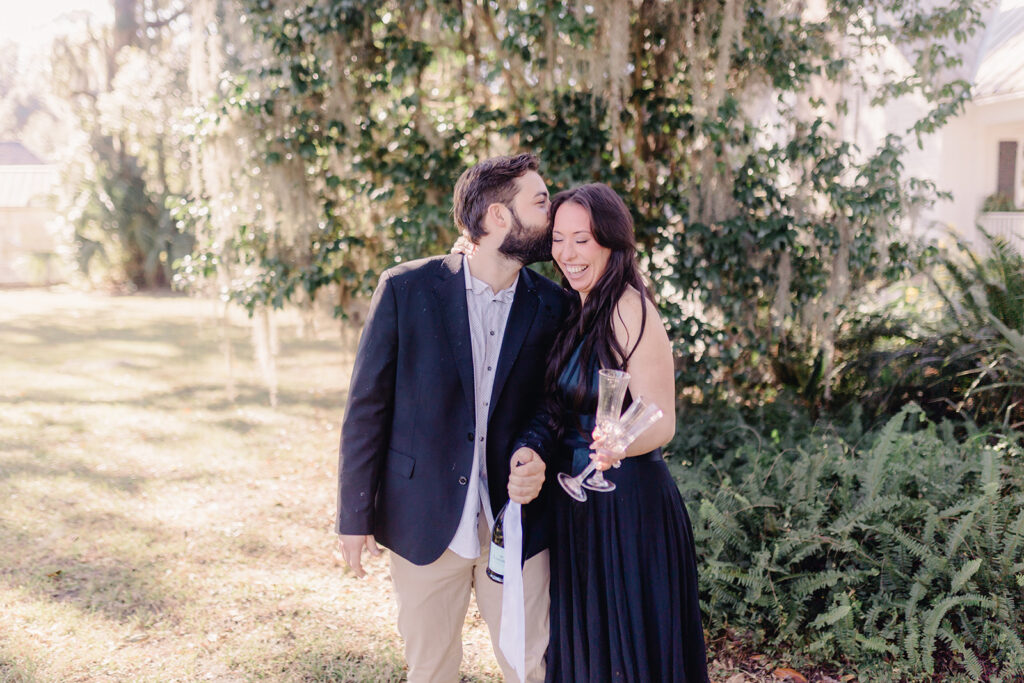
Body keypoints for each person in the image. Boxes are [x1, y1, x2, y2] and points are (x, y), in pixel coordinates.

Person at [335, 153, 568, 683]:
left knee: (530, 665)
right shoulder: (405, 289)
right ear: (497, 218)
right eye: (540, 201)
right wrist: (353, 514)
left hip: (514, 523)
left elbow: (554, 404)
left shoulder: (555, 306)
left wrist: (536, 449)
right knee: (431, 668)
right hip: (422, 518)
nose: (552, 214)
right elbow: (366, 408)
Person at [513, 183, 709, 682]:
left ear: (612, 242)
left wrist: (622, 440)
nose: (568, 253)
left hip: (627, 505)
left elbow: (661, 417)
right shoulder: (576, 308)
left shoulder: (627, 307)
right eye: (558, 239)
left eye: (583, 239)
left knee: (629, 649)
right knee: (589, 647)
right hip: (575, 505)